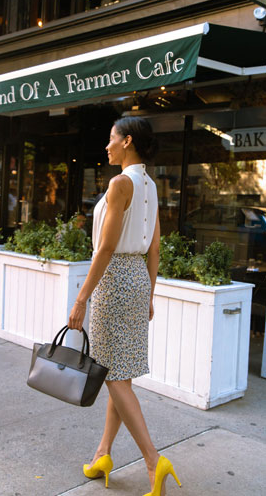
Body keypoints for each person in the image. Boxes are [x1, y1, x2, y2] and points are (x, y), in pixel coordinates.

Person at [68, 117, 181, 496]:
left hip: (114, 280)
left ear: (127, 141)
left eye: (111, 139)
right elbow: (154, 247)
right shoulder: (150, 184)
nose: (107, 146)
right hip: (137, 280)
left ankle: (153, 459)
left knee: (113, 375)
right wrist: (148, 293)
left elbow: (105, 248)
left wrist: (82, 298)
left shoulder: (121, 184)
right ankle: (103, 453)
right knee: (120, 375)